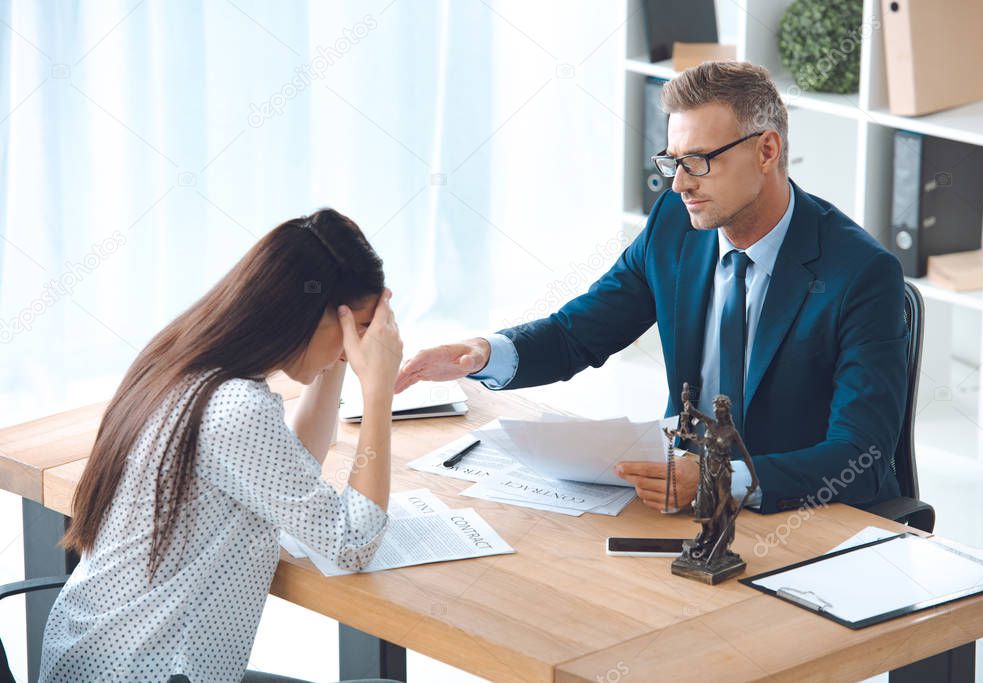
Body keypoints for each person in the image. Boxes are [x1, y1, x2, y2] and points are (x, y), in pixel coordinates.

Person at [396, 61, 908, 517]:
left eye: (700, 161)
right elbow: (580, 333)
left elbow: (860, 455)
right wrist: (484, 354)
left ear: (767, 150)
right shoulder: (675, 225)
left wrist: (722, 481)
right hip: (683, 501)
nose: (680, 184)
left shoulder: (861, 275)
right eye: (673, 161)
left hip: (796, 514)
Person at [40, 209, 403, 683]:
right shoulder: (235, 408)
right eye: (355, 330)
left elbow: (293, 469)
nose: (355, 347)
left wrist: (338, 358)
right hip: (151, 671)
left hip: (99, 656)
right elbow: (353, 543)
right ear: (306, 316)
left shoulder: (183, 361)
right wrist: (378, 390)